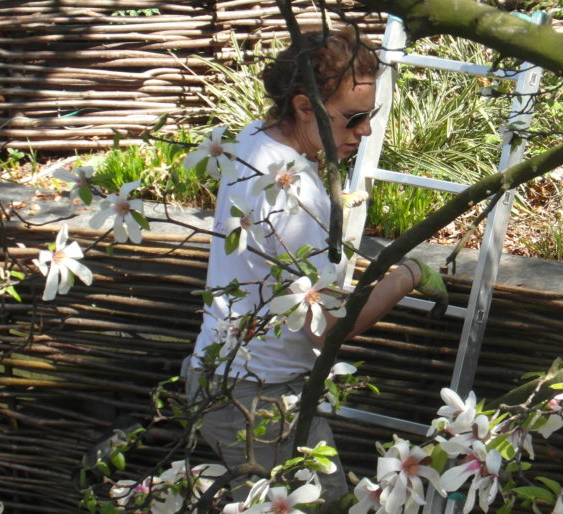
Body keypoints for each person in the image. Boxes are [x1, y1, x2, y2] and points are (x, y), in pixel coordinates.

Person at [183, 27, 435, 509]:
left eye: (370, 116)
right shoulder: (290, 189)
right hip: (258, 397)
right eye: (353, 118)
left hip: (221, 373)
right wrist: (408, 278)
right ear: (304, 107)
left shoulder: (254, 141)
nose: (363, 131)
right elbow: (331, 327)